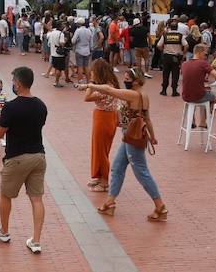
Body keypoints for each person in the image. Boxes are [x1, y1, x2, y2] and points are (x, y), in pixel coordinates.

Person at [87, 70, 167, 221]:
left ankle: (160, 205)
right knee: (117, 167)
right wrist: (153, 136)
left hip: (132, 138)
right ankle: (110, 202)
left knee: (141, 172)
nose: (125, 81)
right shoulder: (143, 95)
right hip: (130, 136)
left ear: (136, 81)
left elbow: (110, 90)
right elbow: (147, 118)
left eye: (127, 78)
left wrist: (91, 85)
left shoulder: (133, 95)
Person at [0, 67, 47, 253]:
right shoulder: (41, 105)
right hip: (39, 155)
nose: (12, 84)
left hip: (17, 157)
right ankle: (35, 241)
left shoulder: (11, 107)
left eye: (13, 81)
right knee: (36, 199)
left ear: (18, 84)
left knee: (6, 195)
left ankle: (4, 231)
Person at [84, 59, 122, 190]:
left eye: (93, 72)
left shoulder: (104, 88)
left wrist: (91, 84)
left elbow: (87, 97)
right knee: (100, 149)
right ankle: (99, 177)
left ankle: (104, 181)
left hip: (103, 118)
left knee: (101, 151)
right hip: (106, 117)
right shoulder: (110, 85)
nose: (91, 74)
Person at [181, 44, 216, 128]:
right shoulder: (203, 64)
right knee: (214, 98)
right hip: (199, 96)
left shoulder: (185, 64)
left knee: (200, 94)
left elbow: (192, 78)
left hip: (185, 95)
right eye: (205, 54)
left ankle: (192, 120)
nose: (206, 56)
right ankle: (203, 121)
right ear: (200, 52)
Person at [158, 21, 185, 96]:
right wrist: (183, 53)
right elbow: (186, 45)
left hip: (166, 56)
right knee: (175, 74)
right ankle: (174, 91)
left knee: (165, 73)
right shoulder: (180, 36)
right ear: (177, 28)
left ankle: (164, 90)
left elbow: (158, 45)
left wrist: (163, 50)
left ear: (170, 27)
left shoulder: (165, 35)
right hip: (176, 57)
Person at [46, 20, 68, 87]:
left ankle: (56, 81)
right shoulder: (61, 34)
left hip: (53, 52)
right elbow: (62, 44)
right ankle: (56, 81)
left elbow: (49, 43)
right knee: (59, 68)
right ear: (60, 26)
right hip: (59, 54)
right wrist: (65, 41)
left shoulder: (52, 33)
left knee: (55, 67)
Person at [71, 19, 94, 83]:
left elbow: (73, 41)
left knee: (80, 67)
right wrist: (90, 49)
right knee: (86, 66)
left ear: (78, 24)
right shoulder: (89, 31)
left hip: (79, 50)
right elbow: (91, 42)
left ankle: (80, 81)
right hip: (87, 51)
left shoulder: (78, 31)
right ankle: (88, 81)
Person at [130, 15, 151, 80]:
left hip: (137, 47)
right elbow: (149, 37)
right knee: (146, 59)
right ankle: (146, 72)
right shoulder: (145, 29)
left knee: (138, 59)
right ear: (140, 23)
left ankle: (139, 73)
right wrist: (150, 45)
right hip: (145, 46)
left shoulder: (133, 30)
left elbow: (131, 39)